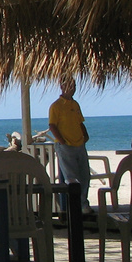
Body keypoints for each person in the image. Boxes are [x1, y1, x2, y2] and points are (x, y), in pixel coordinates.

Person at [48, 75, 92, 213]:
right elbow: (52, 125)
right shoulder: (56, 106)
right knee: (71, 178)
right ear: (62, 87)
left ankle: (83, 204)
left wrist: (85, 135)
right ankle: (73, 207)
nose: (72, 89)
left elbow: (80, 122)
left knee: (85, 176)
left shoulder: (75, 104)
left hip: (79, 144)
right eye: (69, 86)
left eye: (74, 86)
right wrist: (62, 141)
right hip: (66, 146)